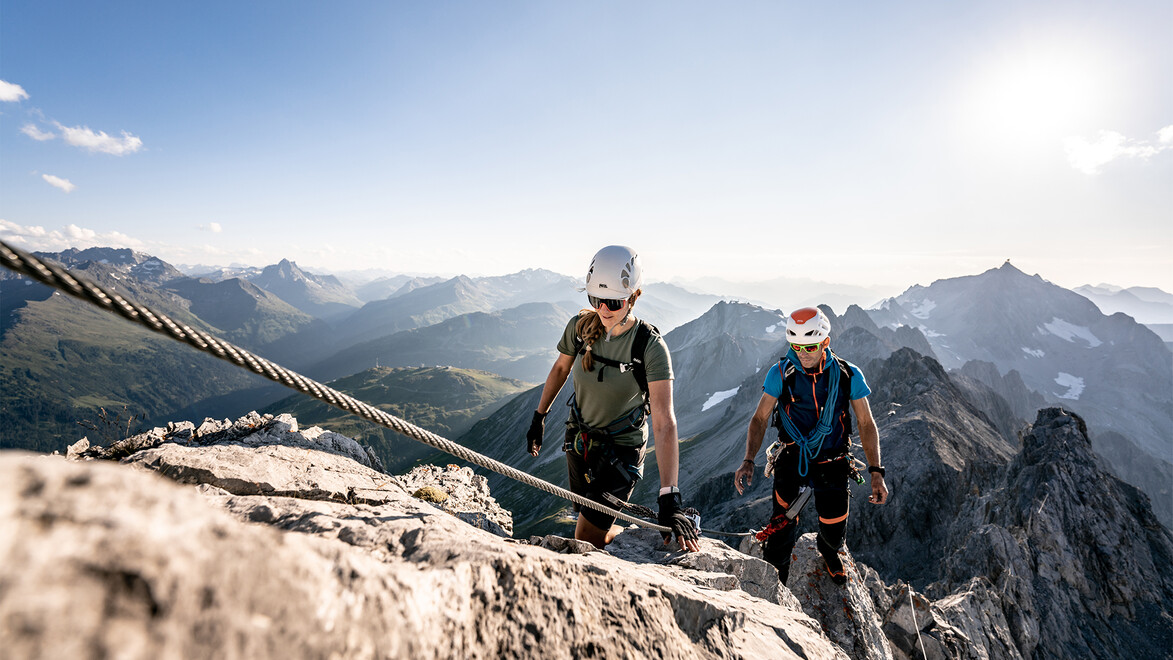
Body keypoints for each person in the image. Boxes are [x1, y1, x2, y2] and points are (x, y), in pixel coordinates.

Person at [526, 245, 700, 552]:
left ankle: (613, 533)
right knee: (584, 516)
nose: (603, 309)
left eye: (614, 302)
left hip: (622, 452)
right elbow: (560, 368)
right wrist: (539, 417)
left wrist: (670, 496)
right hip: (580, 443)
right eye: (596, 300)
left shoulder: (649, 346)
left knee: (584, 538)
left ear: (633, 297)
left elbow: (664, 421)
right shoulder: (579, 328)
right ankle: (615, 531)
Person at [734, 307, 888, 584]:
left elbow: (866, 423)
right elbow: (759, 418)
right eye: (796, 346)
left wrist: (876, 471)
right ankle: (775, 581)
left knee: (834, 527)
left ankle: (828, 551)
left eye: (810, 346)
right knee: (781, 527)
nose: (803, 353)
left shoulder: (847, 375)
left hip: (834, 459)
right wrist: (748, 459)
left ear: (826, 343)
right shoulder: (780, 372)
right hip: (792, 457)